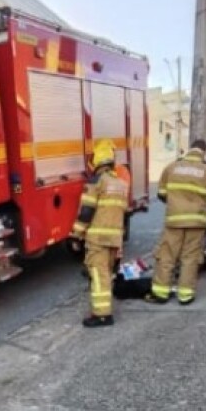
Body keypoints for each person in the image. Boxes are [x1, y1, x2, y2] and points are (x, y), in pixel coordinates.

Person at [145, 140, 206, 305]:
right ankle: (185, 295)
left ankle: (160, 293)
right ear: (204, 151)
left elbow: (161, 194)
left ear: (189, 149)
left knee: (167, 255)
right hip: (198, 221)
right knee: (190, 257)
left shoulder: (172, 167)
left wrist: (176, 204)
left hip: (174, 220)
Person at [71, 139, 129, 327]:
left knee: (98, 275)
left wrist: (76, 235)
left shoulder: (96, 182)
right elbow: (123, 213)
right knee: (106, 274)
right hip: (114, 238)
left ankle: (102, 315)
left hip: (98, 239)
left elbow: (86, 211)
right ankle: (104, 311)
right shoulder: (120, 183)